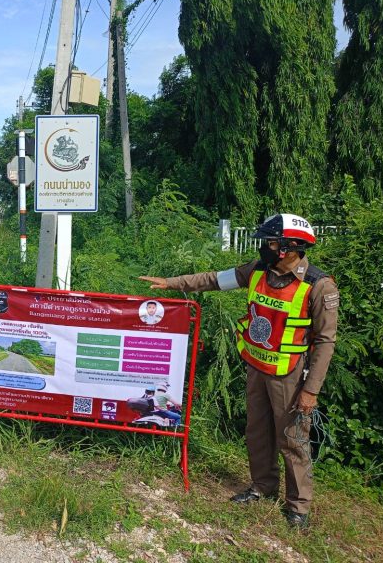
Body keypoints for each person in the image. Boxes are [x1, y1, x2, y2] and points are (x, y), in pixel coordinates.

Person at [140, 213, 339, 529]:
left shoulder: (318, 286)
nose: (266, 247)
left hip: (288, 375)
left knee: (292, 439)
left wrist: (311, 389)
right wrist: (171, 283)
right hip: (257, 368)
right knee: (257, 432)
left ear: (288, 247)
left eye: (271, 242)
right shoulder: (258, 270)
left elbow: (326, 341)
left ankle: (298, 507)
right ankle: (262, 486)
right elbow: (214, 280)